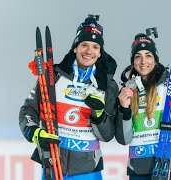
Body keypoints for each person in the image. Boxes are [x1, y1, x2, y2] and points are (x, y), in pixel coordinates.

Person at [19, 15, 119, 180]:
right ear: (75, 48)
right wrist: (34, 133)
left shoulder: (107, 86)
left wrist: (99, 114)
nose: (89, 51)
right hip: (52, 163)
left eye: (95, 47)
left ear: (100, 53)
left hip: (88, 170)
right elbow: (28, 110)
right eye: (84, 45)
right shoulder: (53, 77)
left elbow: (107, 136)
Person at [114, 31, 171, 180]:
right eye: (138, 56)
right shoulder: (127, 91)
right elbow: (124, 139)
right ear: (133, 61)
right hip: (140, 167)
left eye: (148, 56)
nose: (143, 61)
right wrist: (124, 108)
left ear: (155, 60)